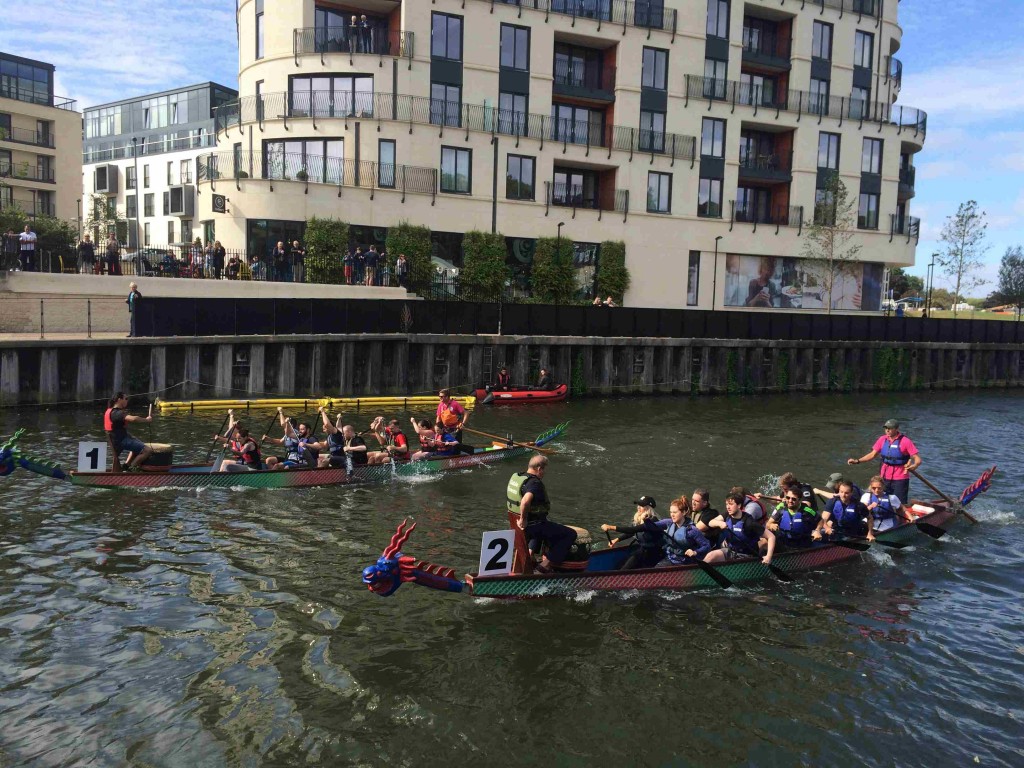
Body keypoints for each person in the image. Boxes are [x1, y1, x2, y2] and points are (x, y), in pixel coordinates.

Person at [507, 455, 576, 574]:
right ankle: (544, 565)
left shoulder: (517, 477)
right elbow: (525, 501)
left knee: (542, 528)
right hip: (531, 526)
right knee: (569, 534)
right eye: (544, 470)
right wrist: (523, 519)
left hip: (516, 524)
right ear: (539, 469)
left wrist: (522, 520)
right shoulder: (534, 483)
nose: (544, 473)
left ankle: (530, 557)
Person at [847, 418, 921, 504]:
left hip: (900, 478)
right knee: (881, 500)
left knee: (899, 503)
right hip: (884, 477)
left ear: (896, 429)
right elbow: (872, 455)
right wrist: (857, 461)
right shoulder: (882, 439)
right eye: (886, 428)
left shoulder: (905, 441)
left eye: (890, 428)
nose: (887, 430)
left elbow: (918, 459)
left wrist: (914, 465)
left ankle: (901, 516)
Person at [600, 496, 666, 570]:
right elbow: (632, 532)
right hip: (643, 550)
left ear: (648, 508)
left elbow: (632, 530)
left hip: (654, 553)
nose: (638, 507)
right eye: (638, 505)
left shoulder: (653, 520)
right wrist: (617, 539)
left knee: (625, 569)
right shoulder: (639, 518)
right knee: (619, 566)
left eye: (641, 505)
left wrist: (610, 527)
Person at [705, 492, 772, 563]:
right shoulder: (727, 515)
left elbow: (771, 536)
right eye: (727, 504)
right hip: (730, 551)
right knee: (710, 556)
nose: (728, 507)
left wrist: (768, 556)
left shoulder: (749, 522)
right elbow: (710, 522)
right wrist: (719, 523)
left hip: (746, 556)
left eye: (731, 504)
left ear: (739, 505)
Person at [103, 392, 153, 469]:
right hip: (121, 440)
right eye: (125, 399)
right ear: (119, 400)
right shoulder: (117, 413)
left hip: (116, 439)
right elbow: (133, 419)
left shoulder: (110, 411)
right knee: (147, 450)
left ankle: (126, 466)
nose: (127, 401)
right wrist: (146, 420)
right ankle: (131, 469)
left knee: (137, 444)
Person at [659, 496, 712, 565]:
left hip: (684, 562)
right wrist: (646, 519)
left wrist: (695, 552)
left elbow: (707, 546)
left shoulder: (692, 530)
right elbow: (652, 525)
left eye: (675, 512)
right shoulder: (669, 522)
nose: (672, 515)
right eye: (671, 512)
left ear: (683, 512)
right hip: (670, 558)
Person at [862, 475, 913, 540]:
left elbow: (902, 508)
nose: (876, 490)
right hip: (869, 525)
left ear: (883, 486)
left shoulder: (892, 497)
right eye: (874, 488)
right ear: (871, 487)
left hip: (887, 526)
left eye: (879, 488)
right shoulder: (866, 496)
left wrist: (910, 517)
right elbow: (862, 511)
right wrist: (870, 506)